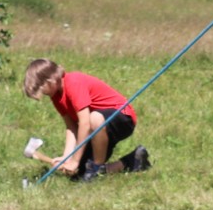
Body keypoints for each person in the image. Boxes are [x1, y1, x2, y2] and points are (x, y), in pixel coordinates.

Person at [22, 58, 150, 179]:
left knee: (94, 118)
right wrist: (67, 158)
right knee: (78, 173)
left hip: (122, 118)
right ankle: (134, 161)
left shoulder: (73, 83)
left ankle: (96, 166)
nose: (45, 94)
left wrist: (75, 160)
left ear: (51, 80)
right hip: (98, 128)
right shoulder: (56, 96)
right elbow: (72, 127)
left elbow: (85, 124)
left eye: (43, 90)